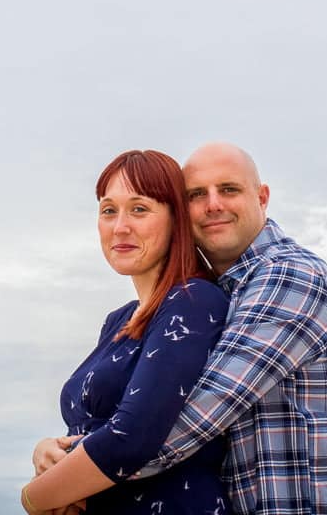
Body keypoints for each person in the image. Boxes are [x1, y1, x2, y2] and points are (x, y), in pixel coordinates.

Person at [37, 142, 327, 515]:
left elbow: (177, 424)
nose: (213, 205)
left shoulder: (288, 275)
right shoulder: (225, 292)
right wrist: (50, 453)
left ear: (262, 198)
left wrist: (56, 480)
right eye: (196, 195)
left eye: (229, 189)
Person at [20, 149, 230, 515]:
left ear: (176, 219)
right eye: (108, 210)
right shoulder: (118, 320)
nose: (120, 227)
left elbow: (133, 437)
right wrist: (47, 451)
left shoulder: (192, 301)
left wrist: (34, 498)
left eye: (139, 209)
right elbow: (92, 427)